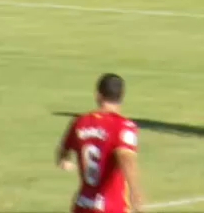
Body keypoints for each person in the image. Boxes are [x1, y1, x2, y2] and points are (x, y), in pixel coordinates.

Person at [56, 73, 143, 213]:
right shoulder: (123, 126)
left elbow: (63, 149)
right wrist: (135, 191)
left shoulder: (80, 122)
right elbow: (126, 157)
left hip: (83, 204)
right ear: (121, 96)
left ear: (98, 95)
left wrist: (64, 160)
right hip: (112, 207)